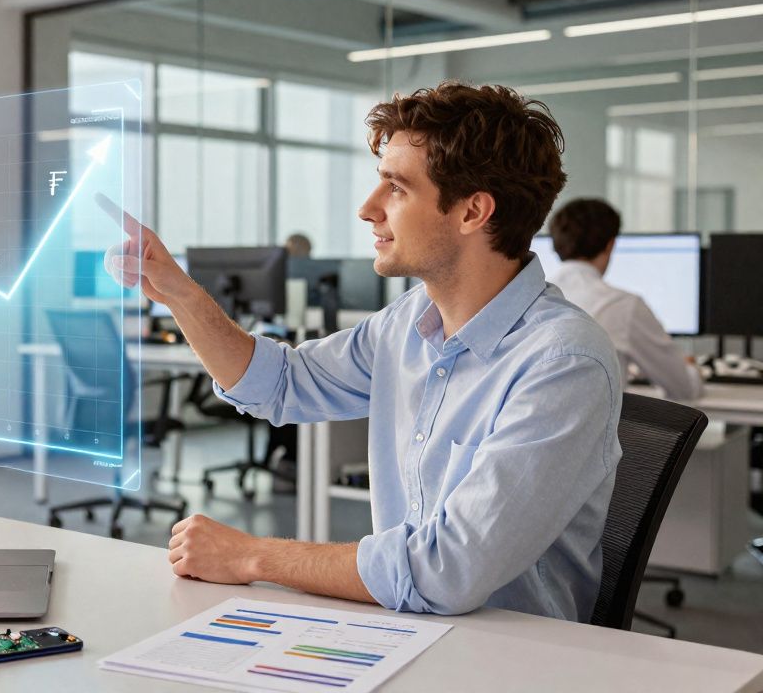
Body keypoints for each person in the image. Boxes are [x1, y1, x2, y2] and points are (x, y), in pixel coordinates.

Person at [103, 82, 622, 621]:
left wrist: (251, 555)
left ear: (472, 212)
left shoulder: (563, 363)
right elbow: (279, 385)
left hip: (515, 657)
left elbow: (446, 570)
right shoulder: (406, 323)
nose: (367, 209)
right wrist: (177, 293)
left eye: (396, 188)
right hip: (405, 630)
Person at [547, 197, 704, 402]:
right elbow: (683, 388)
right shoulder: (623, 306)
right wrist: (692, 368)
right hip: (596, 432)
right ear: (611, 245)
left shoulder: (533, 297)